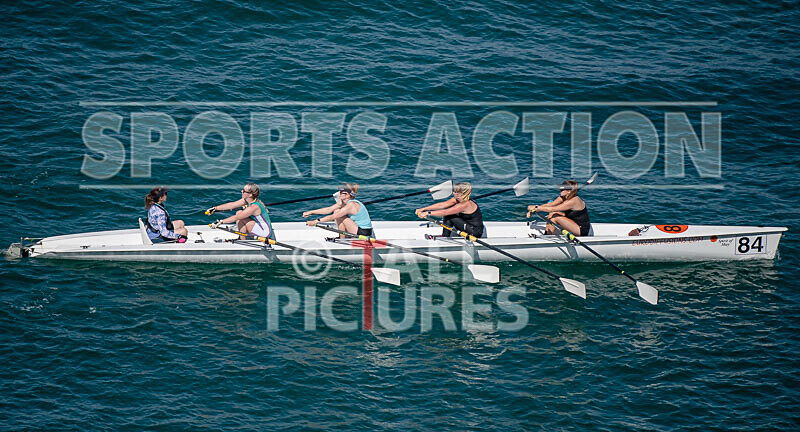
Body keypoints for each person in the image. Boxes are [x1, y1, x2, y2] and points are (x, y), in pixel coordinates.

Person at [206, 183, 275, 240]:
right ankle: (242, 237)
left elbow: (236, 217)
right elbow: (231, 205)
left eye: (244, 191)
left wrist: (220, 222)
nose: (241, 191)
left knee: (240, 217)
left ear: (250, 194)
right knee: (239, 212)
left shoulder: (253, 207)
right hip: (258, 226)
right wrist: (215, 208)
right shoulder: (246, 200)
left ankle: (243, 240)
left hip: (264, 232)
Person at [416, 182, 484, 238]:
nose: (453, 193)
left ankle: (445, 236)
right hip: (466, 225)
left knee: (449, 215)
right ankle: (445, 235)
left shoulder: (465, 204)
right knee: (449, 215)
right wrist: (423, 209)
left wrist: (428, 213)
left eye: (456, 192)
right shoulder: (457, 199)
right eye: (454, 191)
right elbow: (442, 205)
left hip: (474, 231)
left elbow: (445, 212)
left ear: (462, 194)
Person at [304, 183, 373, 236]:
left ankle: (342, 238)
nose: (339, 194)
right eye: (340, 192)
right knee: (336, 211)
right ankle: (343, 236)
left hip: (364, 232)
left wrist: (315, 222)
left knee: (339, 215)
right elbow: (328, 209)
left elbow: (332, 217)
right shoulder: (343, 202)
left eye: (341, 193)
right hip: (356, 228)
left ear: (348, 195)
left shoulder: (351, 205)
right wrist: (310, 212)